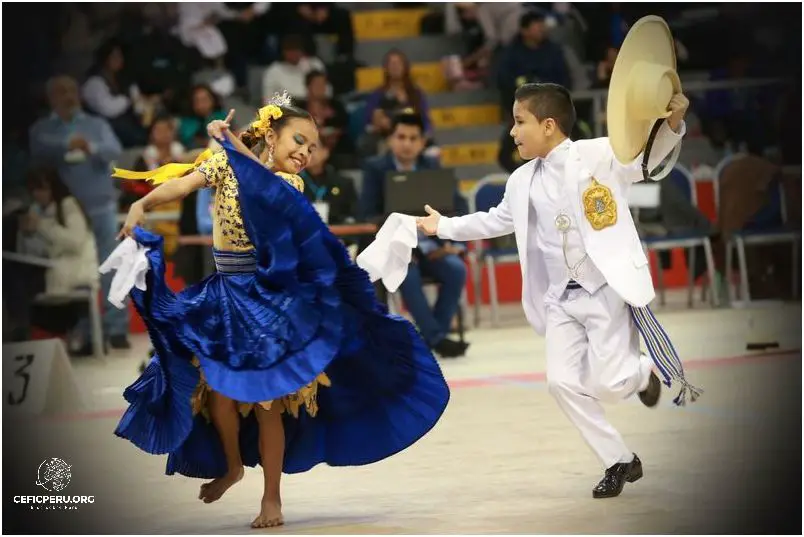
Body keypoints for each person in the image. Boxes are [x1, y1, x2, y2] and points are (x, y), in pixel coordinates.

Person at [110, 95, 450, 528]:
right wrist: (142, 205)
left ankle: (272, 497)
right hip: (221, 296)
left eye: (312, 148)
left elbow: (258, 186)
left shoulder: (288, 186)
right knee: (218, 393)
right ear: (270, 135)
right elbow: (182, 184)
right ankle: (232, 466)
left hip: (266, 302)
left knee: (270, 402)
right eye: (299, 141)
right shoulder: (223, 164)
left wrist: (230, 142)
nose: (305, 154)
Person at [417, 82, 701, 496]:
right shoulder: (519, 180)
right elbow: (495, 220)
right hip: (559, 298)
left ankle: (641, 373)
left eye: (519, 122)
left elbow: (649, 161)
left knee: (609, 384)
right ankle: (620, 460)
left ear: (548, 125)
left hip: (604, 287)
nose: (512, 132)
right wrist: (443, 226)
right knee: (561, 383)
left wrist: (673, 120)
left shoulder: (599, 154)